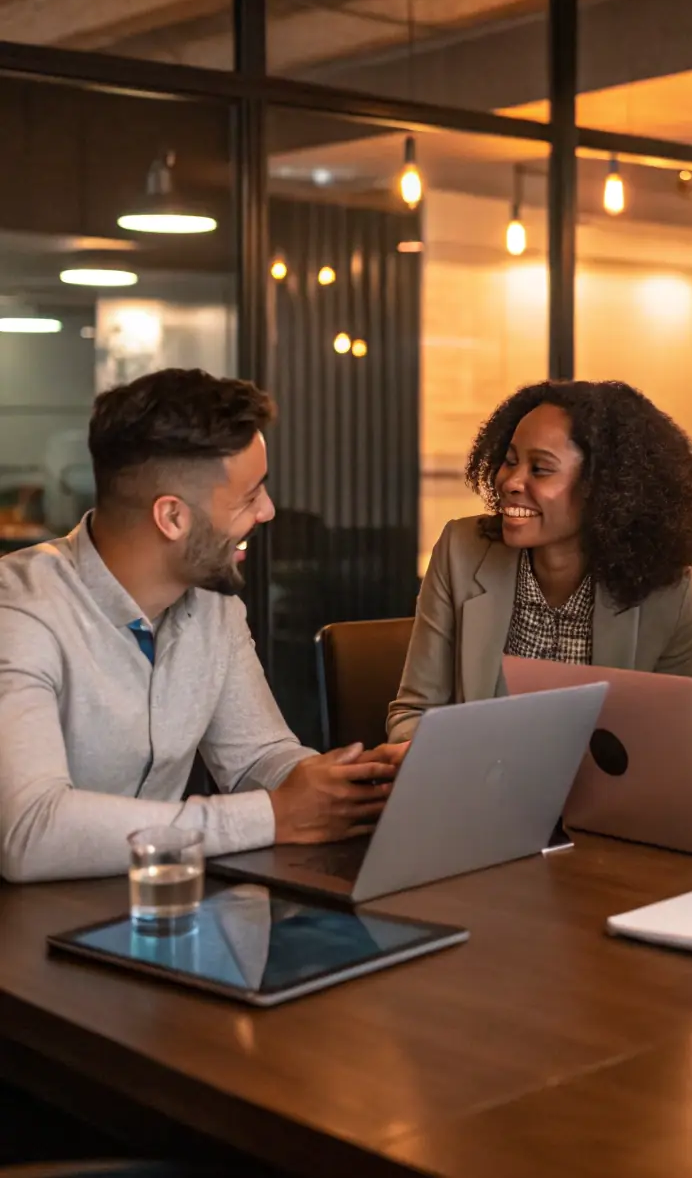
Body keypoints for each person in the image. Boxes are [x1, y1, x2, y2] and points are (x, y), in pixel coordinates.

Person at [0, 369, 404, 884]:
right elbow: (30, 833)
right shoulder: (19, 611)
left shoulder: (212, 604)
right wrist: (274, 817)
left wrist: (360, 782)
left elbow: (257, 755)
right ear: (172, 517)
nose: (268, 510)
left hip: (155, 910)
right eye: (249, 496)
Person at [388, 379, 692, 741]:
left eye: (540, 469)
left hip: (601, 798)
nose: (511, 481)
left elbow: (669, 748)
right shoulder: (461, 552)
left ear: (604, 488)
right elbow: (413, 713)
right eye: (510, 461)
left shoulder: (672, 594)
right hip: (475, 790)